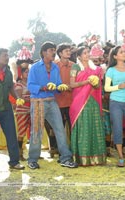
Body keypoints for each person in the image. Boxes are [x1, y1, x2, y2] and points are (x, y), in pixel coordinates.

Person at [27, 41, 78, 169]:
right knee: (36, 132)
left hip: (52, 100)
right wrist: (42, 88)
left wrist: (60, 87)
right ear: (44, 52)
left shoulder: (55, 67)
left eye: (54, 50)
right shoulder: (34, 67)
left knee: (60, 129)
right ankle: (32, 159)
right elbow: (30, 86)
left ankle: (65, 158)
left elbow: (58, 83)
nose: (53, 52)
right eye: (51, 50)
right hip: (38, 102)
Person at [69, 46, 106, 166]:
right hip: (79, 102)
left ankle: (96, 157)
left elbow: (98, 87)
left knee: (94, 126)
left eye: (88, 52)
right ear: (79, 56)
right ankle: (82, 157)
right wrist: (87, 81)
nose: (87, 54)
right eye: (84, 53)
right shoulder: (75, 67)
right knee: (83, 127)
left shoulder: (95, 69)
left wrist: (95, 83)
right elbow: (72, 84)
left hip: (93, 101)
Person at [15, 67, 30, 161]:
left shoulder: (31, 82)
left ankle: (34, 153)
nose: (28, 73)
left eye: (29, 72)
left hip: (32, 109)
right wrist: (31, 98)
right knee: (21, 132)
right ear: (21, 73)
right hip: (22, 110)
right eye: (26, 72)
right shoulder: (18, 84)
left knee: (33, 132)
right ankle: (20, 154)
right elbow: (20, 98)